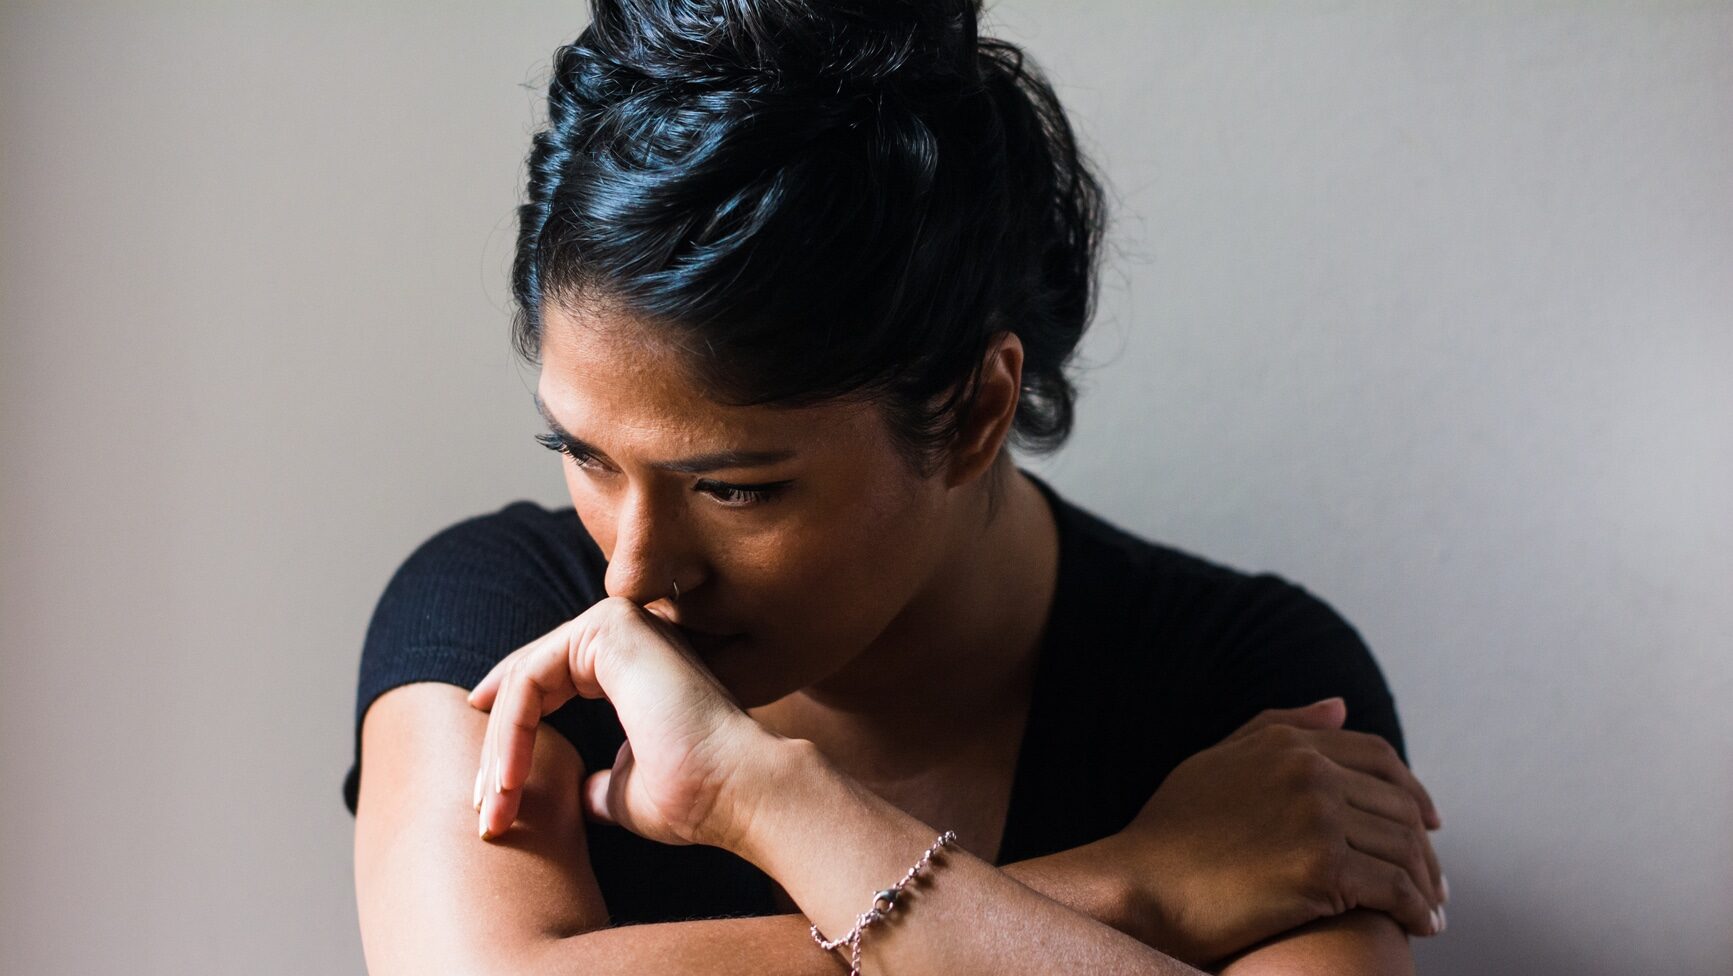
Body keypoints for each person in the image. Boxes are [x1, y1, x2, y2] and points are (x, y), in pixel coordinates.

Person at [344, 2, 1448, 973]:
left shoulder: (1248, 692)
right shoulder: (493, 617)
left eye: (735, 489)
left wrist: (761, 797)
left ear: (972, 409)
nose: (630, 574)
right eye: (582, 454)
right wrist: (1136, 888)